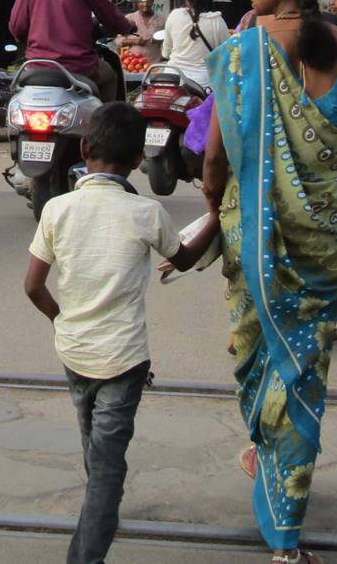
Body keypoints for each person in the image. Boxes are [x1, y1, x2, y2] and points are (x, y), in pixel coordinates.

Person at [200, 0, 337, 564]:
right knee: (303, 372)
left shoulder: (239, 53)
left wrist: (212, 206)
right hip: (323, 240)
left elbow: (214, 159)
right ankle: (284, 515)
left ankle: (276, 499)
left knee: (257, 358)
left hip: (253, 238)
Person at [25, 102, 220, 564]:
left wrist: (62, 320)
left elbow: (33, 287)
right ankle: (88, 549)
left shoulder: (56, 209)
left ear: (83, 148)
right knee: (108, 464)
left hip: (74, 351)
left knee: (95, 447)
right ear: (138, 160)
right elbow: (185, 259)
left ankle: (101, 507)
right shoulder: (146, 212)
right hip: (124, 359)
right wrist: (214, 217)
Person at [161, 0, 231, 87]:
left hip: (172, 79)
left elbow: (166, 51)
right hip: (202, 85)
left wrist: (165, 53)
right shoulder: (217, 21)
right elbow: (227, 55)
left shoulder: (174, 15)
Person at [116, 0, 164, 65]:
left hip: (154, 64)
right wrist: (134, 41)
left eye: (148, 1)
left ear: (152, 1)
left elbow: (168, 39)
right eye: (142, 1)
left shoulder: (161, 19)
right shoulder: (129, 18)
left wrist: (157, 41)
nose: (145, 4)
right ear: (137, 2)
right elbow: (118, 40)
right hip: (132, 64)